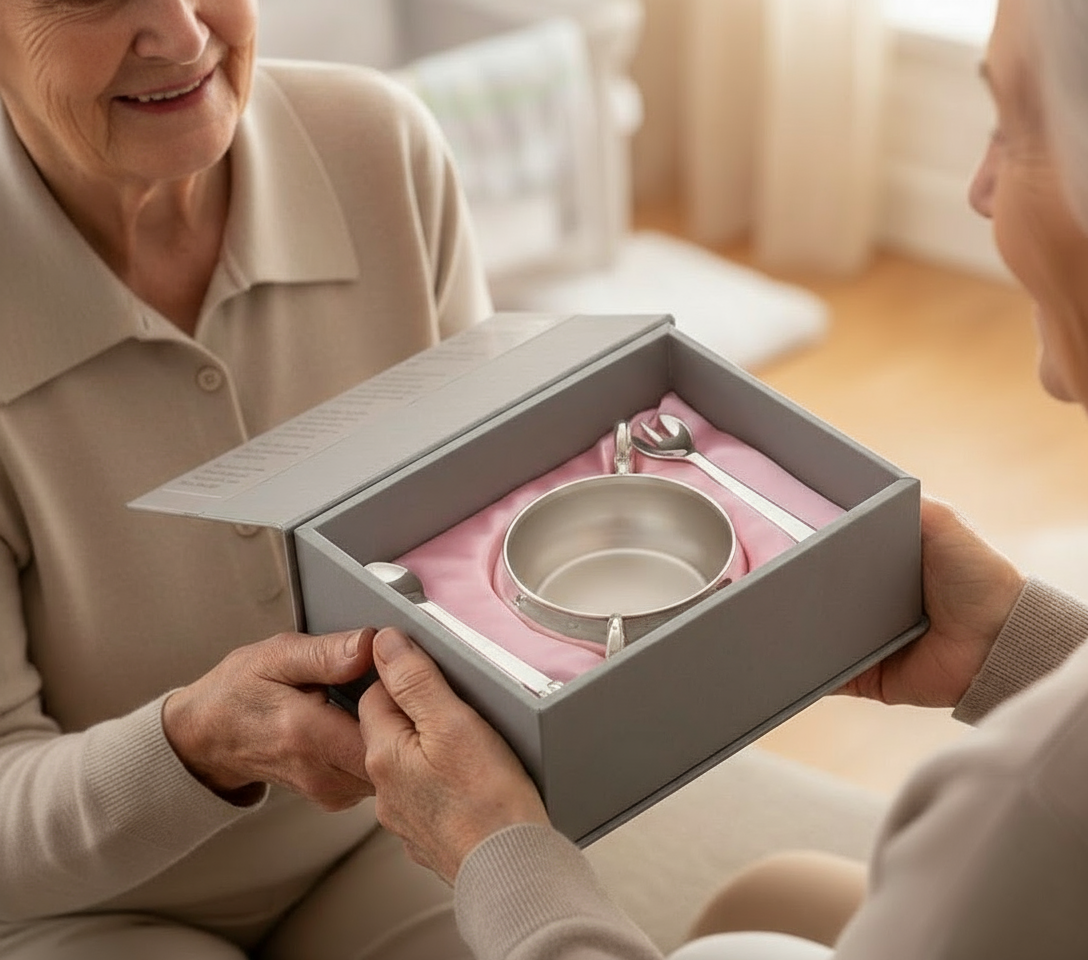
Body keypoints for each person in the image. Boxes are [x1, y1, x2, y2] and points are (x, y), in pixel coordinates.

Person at [352, 0, 1088, 957]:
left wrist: (497, 850)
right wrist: (1019, 646)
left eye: (1013, 127)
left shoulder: (1025, 802)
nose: (981, 187)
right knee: (781, 893)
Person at [0, 0, 491, 956]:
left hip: (395, 833)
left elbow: (487, 532)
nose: (183, 37)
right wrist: (198, 745)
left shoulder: (381, 149)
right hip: (85, 909)